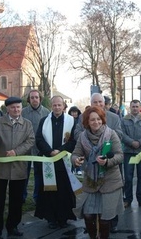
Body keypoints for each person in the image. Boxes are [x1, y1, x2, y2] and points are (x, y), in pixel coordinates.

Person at [0, 96, 35, 239]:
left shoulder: (27, 124)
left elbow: (31, 141)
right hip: (1, 168)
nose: (16, 109)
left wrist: (16, 152)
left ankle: (13, 226)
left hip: (19, 169)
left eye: (18, 107)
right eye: (13, 107)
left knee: (16, 200)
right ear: (7, 109)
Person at [71, 106, 124, 239]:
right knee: (88, 215)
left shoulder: (111, 134)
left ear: (103, 120)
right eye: (92, 120)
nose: (96, 122)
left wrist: (107, 162)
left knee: (105, 219)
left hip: (110, 181)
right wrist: (76, 160)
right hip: (91, 181)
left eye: (98, 119)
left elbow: (120, 155)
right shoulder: (83, 137)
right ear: (87, 122)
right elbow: (75, 153)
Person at [34, 96, 77, 229]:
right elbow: (39, 139)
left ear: (64, 106)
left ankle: (63, 217)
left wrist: (61, 150)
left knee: (64, 190)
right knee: (50, 190)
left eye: (59, 105)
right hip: (49, 160)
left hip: (64, 161)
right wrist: (50, 151)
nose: (57, 107)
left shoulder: (71, 121)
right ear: (51, 106)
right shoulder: (44, 121)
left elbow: (73, 140)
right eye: (54, 105)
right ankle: (51, 218)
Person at [121, 99, 141, 208]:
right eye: (133, 106)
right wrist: (131, 142)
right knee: (128, 177)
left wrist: (139, 142)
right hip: (128, 152)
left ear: (140, 108)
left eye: (137, 106)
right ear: (130, 108)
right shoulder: (124, 120)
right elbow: (121, 134)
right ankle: (128, 199)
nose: (135, 108)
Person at [21, 89, 50, 204]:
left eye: (36, 97)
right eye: (32, 97)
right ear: (29, 99)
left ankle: (37, 197)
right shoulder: (23, 112)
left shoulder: (46, 112)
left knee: (39, 174)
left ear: (40, 98)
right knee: (24, 173)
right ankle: (22, 196)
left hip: (40, 149)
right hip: (26, 148)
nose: (34, 100)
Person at [68, 106, 83, 175]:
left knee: (78, 154)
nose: (74, 114)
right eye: (72, 112)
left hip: (78, 140)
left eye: (75, 112)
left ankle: (78, 169)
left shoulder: (80, 120)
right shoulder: (68, 120)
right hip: (70, 140)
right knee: (71, 155)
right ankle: (71, 169)